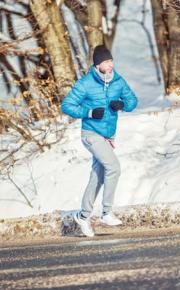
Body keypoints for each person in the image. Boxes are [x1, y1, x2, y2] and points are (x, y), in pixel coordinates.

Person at [61, 45, 138, 237]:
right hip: (90, 134)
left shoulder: (118, 81)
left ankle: (83, 216)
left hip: (106, 136)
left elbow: (133, 101)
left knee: (98, 175)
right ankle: (106, 212)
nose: (110, 65)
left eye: (111, 61)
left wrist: (122, 105)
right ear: (97, 65)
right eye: (106, 62)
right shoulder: (85, 84)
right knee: (113, 167)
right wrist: (88, 112)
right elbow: (66, 105)